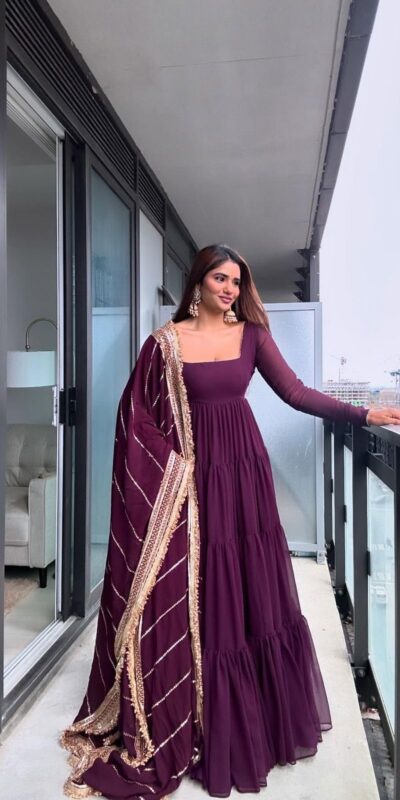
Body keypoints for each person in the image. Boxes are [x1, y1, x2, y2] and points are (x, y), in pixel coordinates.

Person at [60, 244, 400, 799]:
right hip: (191, 482)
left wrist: (362, 412)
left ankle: (250, 714)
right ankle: (196, 712)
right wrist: (171, 470)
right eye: (220, 278)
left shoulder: (252, 336)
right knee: (199, 585)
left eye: (237, 282)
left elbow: (295, 393)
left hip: (243, 474)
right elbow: (135, 417)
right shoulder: (165, 344)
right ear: (199, 282)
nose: (229, 289)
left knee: (246, 583)